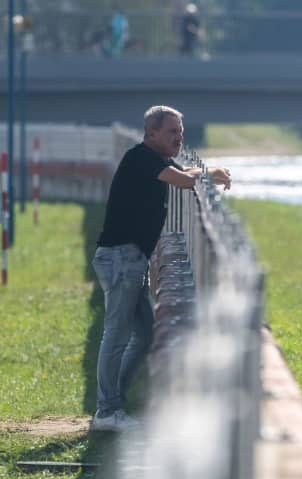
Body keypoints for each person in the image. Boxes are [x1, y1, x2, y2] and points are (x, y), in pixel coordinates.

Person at [90, 105, 232, 432]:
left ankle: (113, 403)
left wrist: (206, 172)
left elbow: (183, 172)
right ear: (151, 133)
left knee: (145, 334)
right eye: (172, 132)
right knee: (117, 334)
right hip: (120, 257)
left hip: (130, 258)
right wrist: (212, 173)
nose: (179, 137)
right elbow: (184, 181)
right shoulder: (141, 158)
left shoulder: (157, 159)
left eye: (181, 132)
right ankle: (107, 411)